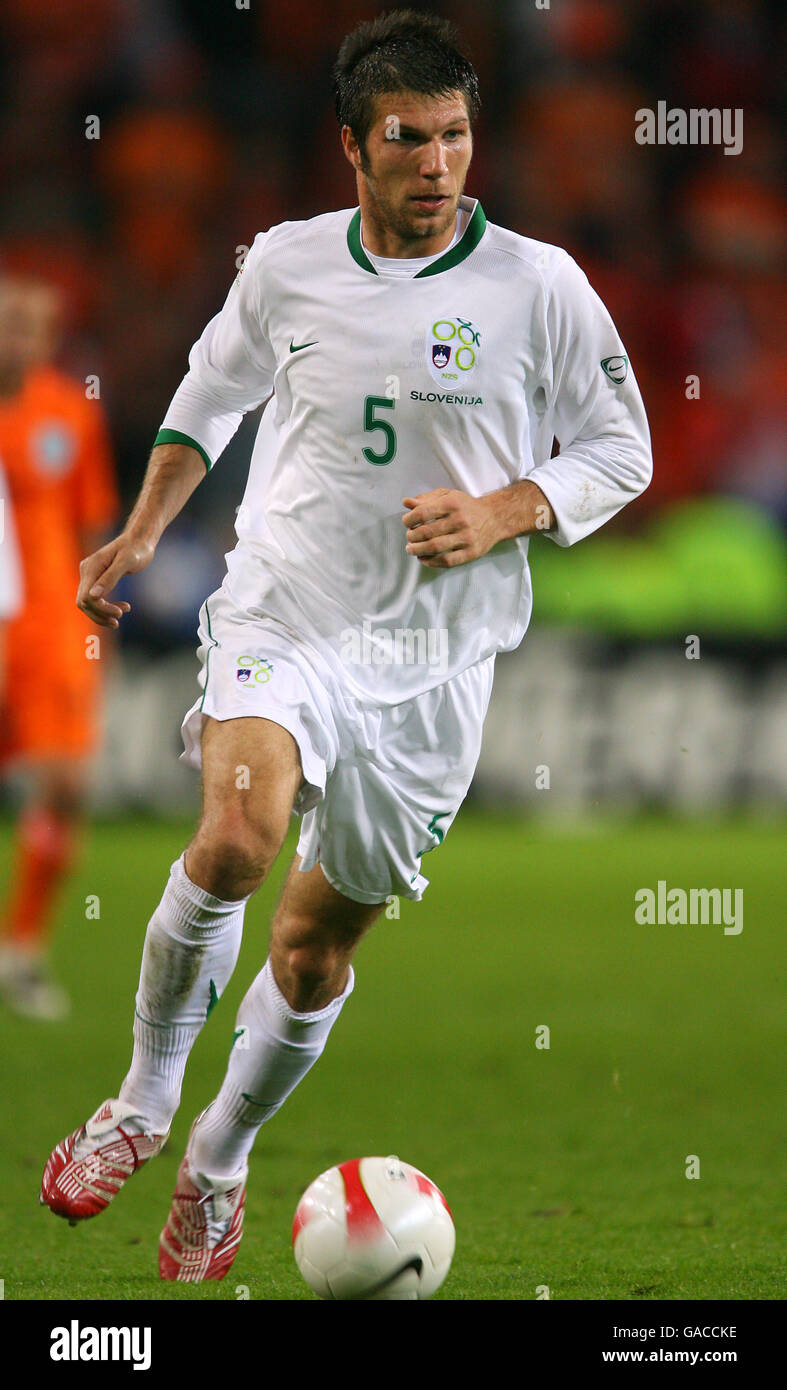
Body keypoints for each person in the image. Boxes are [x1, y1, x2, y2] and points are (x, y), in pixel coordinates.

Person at [40, 10, 652, 1283]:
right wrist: (145, 526)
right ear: (352, 149)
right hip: (287, 612)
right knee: (234, 837)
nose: (438, 164)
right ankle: (144, 1101)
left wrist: (506, 508)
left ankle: (215, 1158)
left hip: (435, 664)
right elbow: (212, 389)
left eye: (455, 137)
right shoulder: (286, 266)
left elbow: (622, 448)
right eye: (407, 141)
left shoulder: (540, 287)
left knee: (314, 950)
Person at [0, 276, 119, 1020]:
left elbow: (89, 525)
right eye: (8, 322)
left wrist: (96, 619)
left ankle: (23, 948)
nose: (18, 337)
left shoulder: (70, 413)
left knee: (66, 785)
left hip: (49, 625)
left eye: (31, 326)